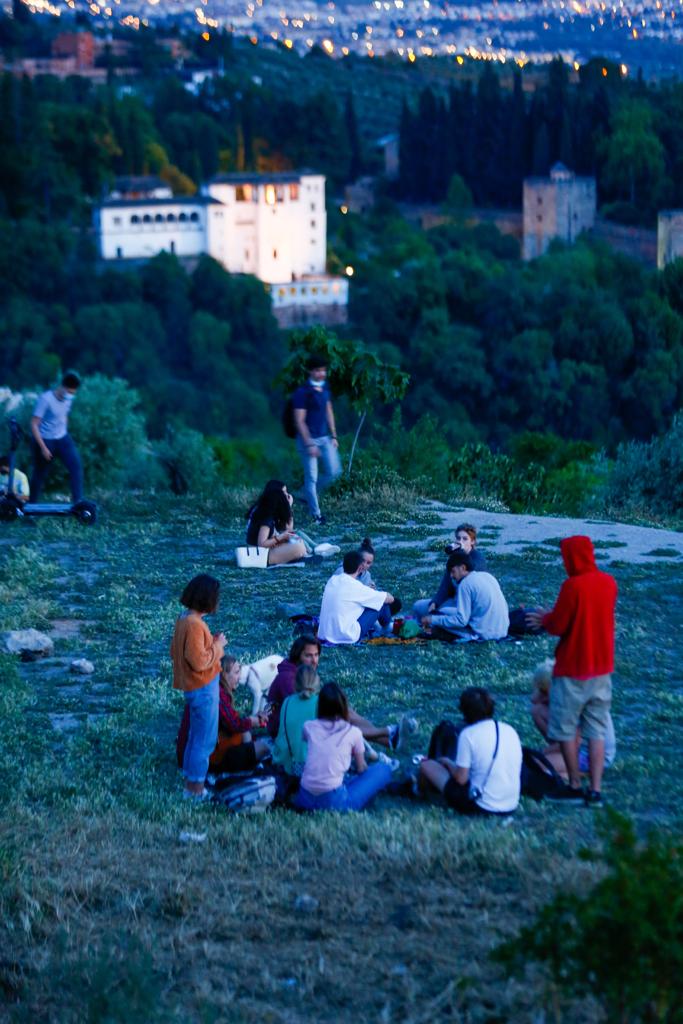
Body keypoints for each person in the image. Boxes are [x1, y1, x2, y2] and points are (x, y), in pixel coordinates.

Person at [526, 536, 617, 807]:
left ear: (571, 558)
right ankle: (596, 791)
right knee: (597, 729)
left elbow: (559, 625)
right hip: (601, 669)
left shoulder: (573, 586)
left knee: (566, 730)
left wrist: (544, 617)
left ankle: (575, 785)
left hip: (573, 669)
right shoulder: (609, 583)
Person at [266, 634, 416, 751]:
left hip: (302, 721)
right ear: (297, 655)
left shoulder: (300, 671)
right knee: (340, 719)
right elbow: (302, 708)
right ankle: (388, 731)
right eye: (308, 655)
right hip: (284, 730)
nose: (314, 660)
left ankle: (389, 740)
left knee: (346, 711)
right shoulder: (288, 678)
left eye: (316, 655)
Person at [418, 687, 522, 816]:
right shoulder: (509, 730)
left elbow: (461, 779)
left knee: (426, 764)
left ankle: (418, 793)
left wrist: (449, 764)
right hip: (511, 804)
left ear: (464, 711)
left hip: (481, 805)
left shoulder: (468, 734)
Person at [293, 683, 394, 812]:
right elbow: (361, 769)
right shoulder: (353, 732)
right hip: (334, 802)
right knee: (383, 769)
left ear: (320, 706)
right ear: (344, 707)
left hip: (304, 799)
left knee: (341, 780)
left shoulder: (308, 727)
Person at [170, 574, 226, 799]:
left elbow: (179, 653)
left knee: (196, 737)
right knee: (205, 741)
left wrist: (210, 642)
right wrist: (219, 647)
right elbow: (199, 661)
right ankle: (194, 791)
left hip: (195, 689)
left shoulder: (184, 619)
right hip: (202, 689)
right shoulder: (194, 625)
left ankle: (193, 779)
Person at [176, 654, 270, 776]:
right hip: (200, 763)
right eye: (236, 672)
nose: (239, 676)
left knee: (246, 734)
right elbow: (235, 725)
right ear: (224, 674)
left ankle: (248, 757)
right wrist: (254, 721)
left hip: (187, 756)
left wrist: (249, 723)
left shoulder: (208, 688)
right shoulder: (217, 695)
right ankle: (248, 765)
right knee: (264, 748)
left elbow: (231, 723)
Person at [530, 659, 617, 780]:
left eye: (545, 691)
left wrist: (542, 752)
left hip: (594, 757)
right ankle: (560, 761)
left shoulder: (572, 702)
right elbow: (534, 700)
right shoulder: (570, 689)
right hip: (579, 747)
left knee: (537, 764)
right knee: (537, 710)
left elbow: (575, 742)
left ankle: (576, 773)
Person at [292, 352, 342, 525]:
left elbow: (329, 410)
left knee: (335, 473)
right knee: (311, 478)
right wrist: (309, 444)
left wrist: (334, 434)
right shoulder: (302, 392)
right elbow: (299, 421)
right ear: (310, 371)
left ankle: (305, 495)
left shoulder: (324, 388)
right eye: (318, 370)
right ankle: (316, 515)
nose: (321, 374)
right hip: (308, 439)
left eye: (323, 370)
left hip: (325, 437)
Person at [420, 551, 509, 642]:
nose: (451, 576)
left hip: (485, 635)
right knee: (444, 613)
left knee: (438, 616)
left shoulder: (465, 584)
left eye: (453, 571)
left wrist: (432, 619)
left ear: (463, 568)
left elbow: (461, 621)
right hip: (503, 631)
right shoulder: (487, 576)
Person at [319, 550, 400, 644]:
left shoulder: (332, 580)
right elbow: (389, 598)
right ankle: (386, 628)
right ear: (361, 568)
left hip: (324, 633)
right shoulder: (356, 587)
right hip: (347, 636)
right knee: (381, 603)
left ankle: (382, 625)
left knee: (373, 601)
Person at [413, 523, 486, 622]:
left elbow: (467, 577)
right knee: (418, 606)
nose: (460, 542)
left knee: (442, 613)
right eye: (458, 538)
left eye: (465, 539)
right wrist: (435, 602)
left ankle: (435, 625)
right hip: (453, 600)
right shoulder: (455, 558)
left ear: (472, 541)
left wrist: (459, 556)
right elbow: (445, 585)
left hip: (467, 605)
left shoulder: (477, 558)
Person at [29, 370, 83, 503]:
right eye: (70, 392)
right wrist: (43, 448)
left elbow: (64, 414)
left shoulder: (68, 399)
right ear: (62, 387)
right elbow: (34, 424)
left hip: (63, 438)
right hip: (45, 440)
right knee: (40, 474)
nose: (71, 396)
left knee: (76, 467)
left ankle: (78, 503)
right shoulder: (45, 399)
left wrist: (64, 431)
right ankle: (31, 507)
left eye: (73, 393)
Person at [272, 664, 321, 779]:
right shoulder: (319, 702)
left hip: (285, 763)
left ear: (296, 684)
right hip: (308, 767)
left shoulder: (287, 701)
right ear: (316, 682)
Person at [246, 480, 307, 566]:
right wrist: (281, 537)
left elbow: (289, 529)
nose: (287, 495)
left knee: (297, 540)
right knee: (299, 547)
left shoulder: (268, 510)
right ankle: (297, 556)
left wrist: (288, 507)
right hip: (260, 555)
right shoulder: (266, 518)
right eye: (284, 492)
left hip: (265, 551)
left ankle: (299, 555)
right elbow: (261, 544)